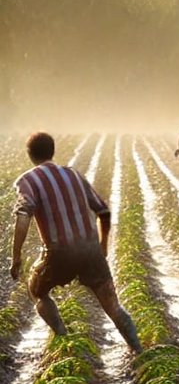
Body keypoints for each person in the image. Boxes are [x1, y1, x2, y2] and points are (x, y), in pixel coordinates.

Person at [10, 132, 142, 353]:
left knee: (37, 290)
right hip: (90, 250)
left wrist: (16, 257)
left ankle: (63, 336)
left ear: (30, 155)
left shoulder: (29, 180)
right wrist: (102, 246)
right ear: (53, 150)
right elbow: (104, 211)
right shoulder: (74, 175)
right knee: (113, 307)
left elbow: (23, 217)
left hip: (58, 253)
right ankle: (137, 349)